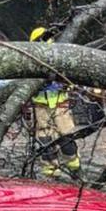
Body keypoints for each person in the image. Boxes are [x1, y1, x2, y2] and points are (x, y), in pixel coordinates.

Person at [29, 27, 80, 179]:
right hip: (41, 106)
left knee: (66, 136)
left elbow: (71, 78)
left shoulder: (59, 58)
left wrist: (67, 85)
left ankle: (75, 168)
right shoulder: (32, 60)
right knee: (45, 139)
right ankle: (50, 171)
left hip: (59, 104)